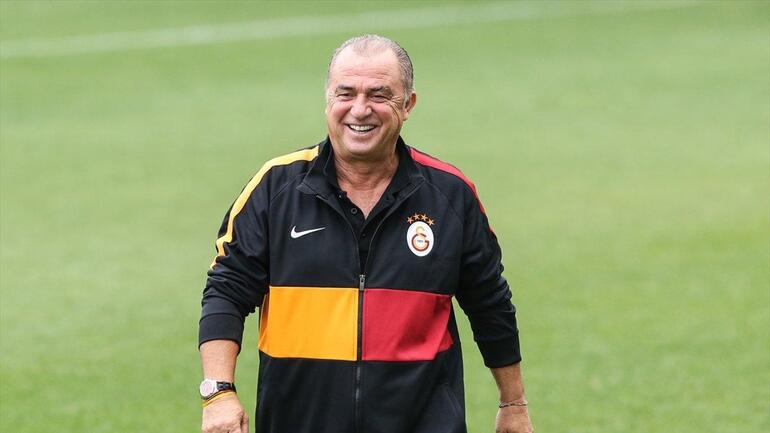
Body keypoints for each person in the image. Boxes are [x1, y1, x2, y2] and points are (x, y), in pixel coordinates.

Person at [198, 34, 534, 433]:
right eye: (346, 93)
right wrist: (218, 392)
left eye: (379, 94)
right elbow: (227, 290)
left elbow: (490, 303)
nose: (360, 109)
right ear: (327, 99)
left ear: (408, 104)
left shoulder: (450, 195)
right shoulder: (274, 189)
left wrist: (513, 403)